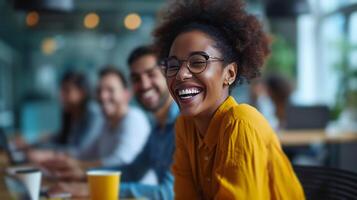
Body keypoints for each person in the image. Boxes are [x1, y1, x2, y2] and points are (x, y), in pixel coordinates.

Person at [153, 0, 305, 199]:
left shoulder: (241, 124)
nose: (180, 75)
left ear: (230, 73)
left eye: (198, 62)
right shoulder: (185, 126)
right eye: (173, 65)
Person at [49, 46, 178, 200]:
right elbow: (133, 171)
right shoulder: (158, 128)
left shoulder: (182, 123)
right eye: (136, 78)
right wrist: (85, 177)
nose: (144, 84)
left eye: (151, 74)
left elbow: (168, 193)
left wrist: (92, 188)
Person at [40, 67, 151, 175]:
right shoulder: (106, 123)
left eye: (110, 90)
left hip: (137, 193)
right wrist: (56, 160)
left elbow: (120, 161)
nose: (103, 96)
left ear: (126, 94)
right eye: (99, 91)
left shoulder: (134, 118)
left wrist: (79, 166)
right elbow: (84, 154)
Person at [27, 71, 103, 163]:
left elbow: (80, 151)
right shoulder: (71, 113)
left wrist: (49, 153)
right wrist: (33, 144)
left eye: (67, 90)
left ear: (82, 92)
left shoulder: (93, 113)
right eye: (61, 90)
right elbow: (61, 139)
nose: (61, 95)